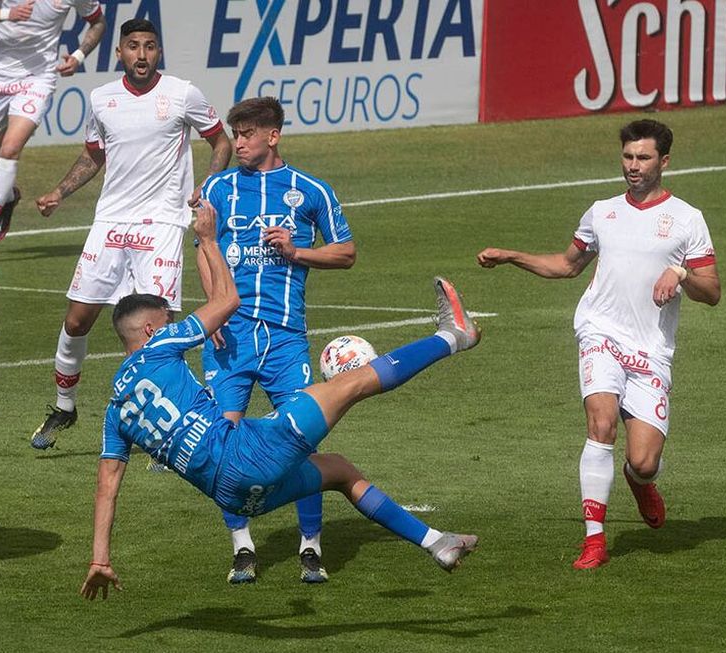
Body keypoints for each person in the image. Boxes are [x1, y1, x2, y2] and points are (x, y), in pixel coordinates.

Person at [79, 200, 480, 600]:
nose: (172, 325)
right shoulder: (159, 345)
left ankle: (436, 542)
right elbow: (228, 303)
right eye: (167, 321)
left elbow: (106, 486)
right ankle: (454, 335)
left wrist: (100, 559)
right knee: (355, 383)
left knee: (338, 470)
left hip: (236, 496)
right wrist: (208, 240)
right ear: (149, 331)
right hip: (249, 451)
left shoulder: (116, 410)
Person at [476, 119, 720, 570]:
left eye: (643, 157)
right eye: (628, 156)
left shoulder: (687, 220)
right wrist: (513, 256)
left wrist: (682, 274)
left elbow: (713, 292)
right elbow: (567, 266)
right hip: (600, 332)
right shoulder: (602, 212)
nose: (633, 165)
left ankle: (640, 482)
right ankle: (594, 540)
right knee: (601, 424)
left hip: (650, 350)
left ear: (664, 161)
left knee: (644, 461)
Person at [29, 18, 232, 449]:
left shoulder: (182, 93)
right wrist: (59, 192)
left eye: (151, 46)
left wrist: (207, 185)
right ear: (119, 52)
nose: (142, 54)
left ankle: (167, 425)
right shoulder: (102, 99)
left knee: (154, 331)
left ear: (159, 52)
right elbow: (92, 155)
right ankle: (65, 407)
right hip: (110, 224)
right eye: (134, 46)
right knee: (76, 320)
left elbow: (221, 142)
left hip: (160, 224)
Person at [197, 97, 356, 584]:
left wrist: (297, 250)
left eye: (246, 134)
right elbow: (204, 250)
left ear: (273, 135)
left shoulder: (310, 190)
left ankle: (310, 545)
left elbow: (346, 253)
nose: (237, 143)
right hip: (230, 335)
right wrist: (212, 313)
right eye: (235, 134)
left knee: (301, 439)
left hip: (286, 338)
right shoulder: (217, 187)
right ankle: (242, 547)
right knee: (222, 443)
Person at [0, 0, 107, 243]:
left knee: (10, 149)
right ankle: (7, 198)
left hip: (38, 78)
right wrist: (9, 13)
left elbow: (98, 23)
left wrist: (79, 56)